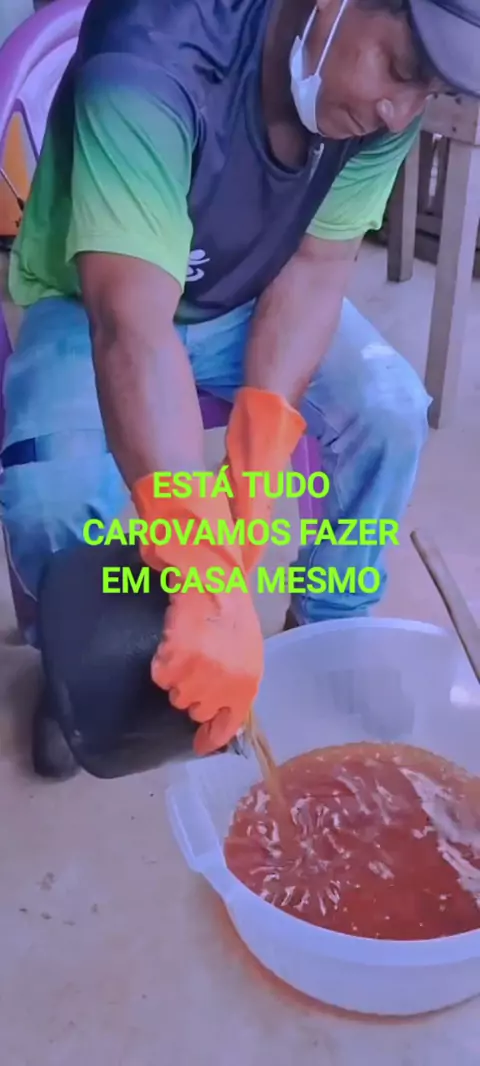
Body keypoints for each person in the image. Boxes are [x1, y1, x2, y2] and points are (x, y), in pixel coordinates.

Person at [1, 0, 479, 780]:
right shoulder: (147, 55)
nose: (401, 110)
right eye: (399, 68)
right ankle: (75, 659)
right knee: (53, 487)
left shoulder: (380, 108)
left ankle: (327, 624)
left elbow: (317, 268)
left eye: (427, 89)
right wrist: (203, 564)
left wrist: (257, 460)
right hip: (94, 299)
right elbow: (131, 326)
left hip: (247, 293)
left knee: (389, 411)